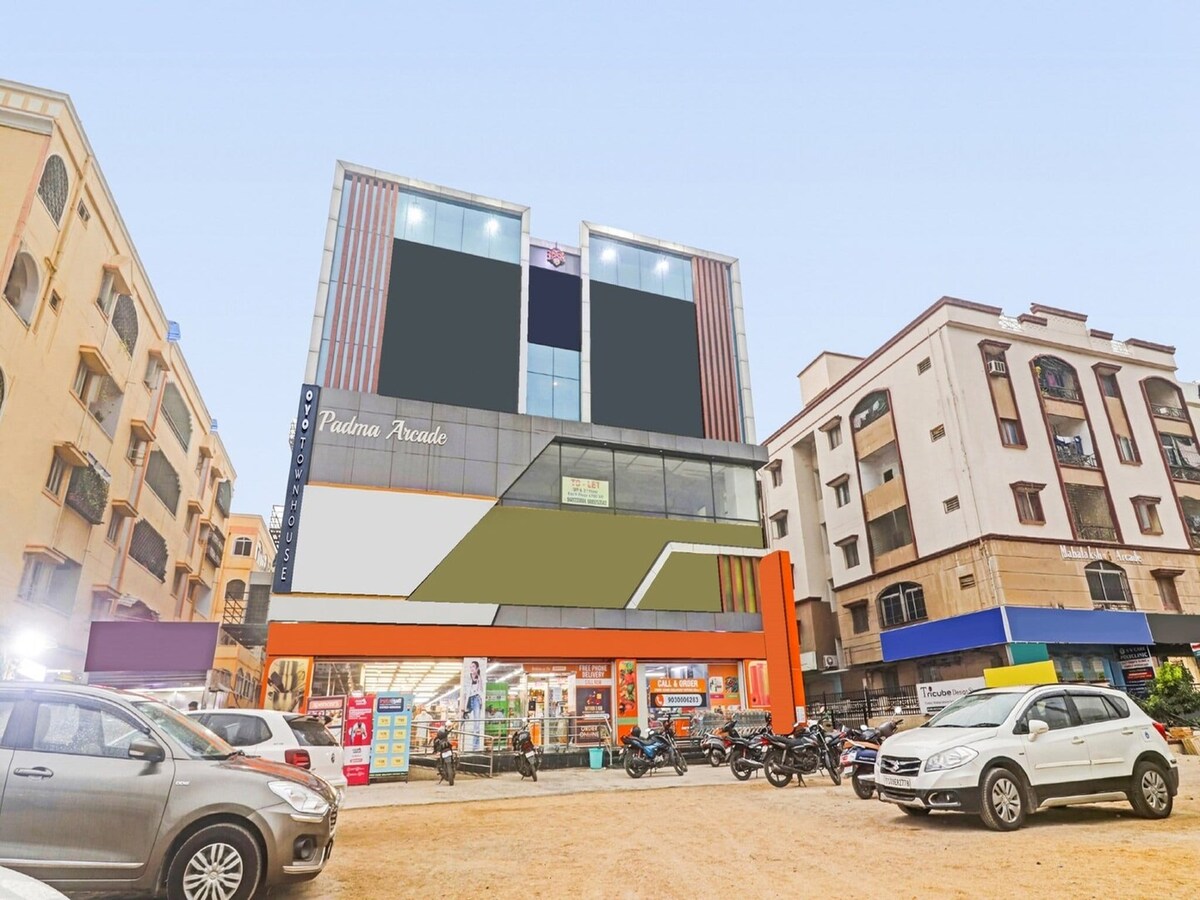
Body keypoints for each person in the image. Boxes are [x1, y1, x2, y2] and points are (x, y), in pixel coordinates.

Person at [461, 660, 485, 752]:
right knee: (463, 720)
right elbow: (464, 693)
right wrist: (463, 706)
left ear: (477, 668)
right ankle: (462, 743)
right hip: (469, 700)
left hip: (476, 699)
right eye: (470, 667)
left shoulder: (479, 678)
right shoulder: (468, 677)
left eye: (473, 667)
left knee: (477, 723)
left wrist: (479, 679)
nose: (471, 668)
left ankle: (475, 747)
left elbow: (481, 691)